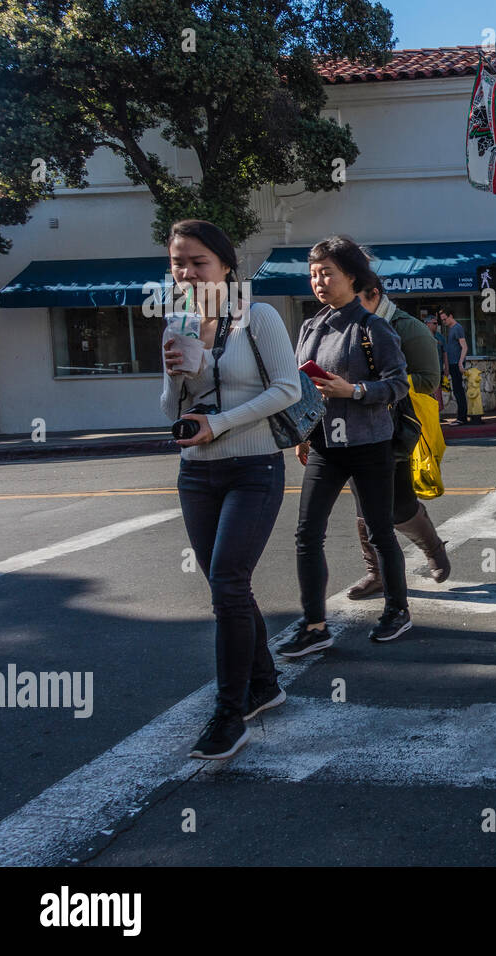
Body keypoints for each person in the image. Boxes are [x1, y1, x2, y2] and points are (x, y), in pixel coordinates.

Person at [159, 219, 301, 760]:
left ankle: (229, 711)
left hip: (253, 467)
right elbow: (169, 412)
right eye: (178, 262)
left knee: (227, 582)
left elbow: (288, 389)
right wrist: (177, 374)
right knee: (228, 589)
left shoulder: (257, 316)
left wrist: (219, 424)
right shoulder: (178, 323)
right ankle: (264, 684)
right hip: (196, 472)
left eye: (199, 262)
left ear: (225, 266)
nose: (188, 272)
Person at [280, 236, 412, 657]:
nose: (318, 281)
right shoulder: (310, 325)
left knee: (379, 531)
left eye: (327, 273)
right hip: (323, 444)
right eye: (313, 274)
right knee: (306, 534)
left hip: (369, 444)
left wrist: (351, 390)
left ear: (351, 277)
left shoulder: (374, 327)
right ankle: (315, 624)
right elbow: (301, 386)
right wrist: (301, 433)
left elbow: (397, 385)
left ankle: (397, 609)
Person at [341, 276, 450, 600]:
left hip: (394, 428)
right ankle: (376, 573)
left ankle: (432, 546)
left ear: (375, 295)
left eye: (356, 300)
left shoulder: (407, 328)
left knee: (399, 505)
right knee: (363, 504)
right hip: (353, 427)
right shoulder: (342, 326)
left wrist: (375, 384)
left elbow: (430, 379)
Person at [440, 307, 468, 425]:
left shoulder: (457, 328)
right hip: (452, 363)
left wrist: (460, 362)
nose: (444, 322)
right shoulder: (451, 329)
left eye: (445, 319)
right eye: (442, 320)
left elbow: (464, 347)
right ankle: (461, 417)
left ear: (451, 316)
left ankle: (462, 418)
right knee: (457, 391)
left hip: (456, 363)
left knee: (458, 390)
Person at [424, 313, 446, 403]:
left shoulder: (440, 337)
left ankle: (438, 414)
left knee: (437, 392)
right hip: (426, 370)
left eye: (437, 323)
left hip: (438, 369)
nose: (437, 325)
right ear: (427, 324)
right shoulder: (421, 336)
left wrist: (447, 368)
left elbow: (445, 352)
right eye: (434, 323)